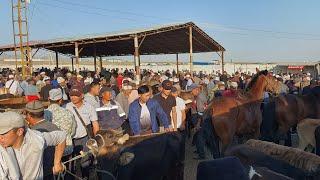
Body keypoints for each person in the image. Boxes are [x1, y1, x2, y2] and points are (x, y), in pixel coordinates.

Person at [0, 111, 66, 179]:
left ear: (19, 131)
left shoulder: (37, 139)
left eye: (3, 134)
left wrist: (57, 163)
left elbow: (61, 137)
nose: (0, 138)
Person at [65, 86, 100, 177]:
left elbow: (95, 124)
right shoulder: (66, 107)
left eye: (76, 95)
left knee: (85, 162)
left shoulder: (89, 107)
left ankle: (85, 177)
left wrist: (96, 140)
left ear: (82, 96)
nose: (73, 97)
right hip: (70, 140)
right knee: (70, 164)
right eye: (71, 95)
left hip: (84, 139)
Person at [25, 100, 61, 179]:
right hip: (52, 170)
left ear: (29, 115)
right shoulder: (54, 127)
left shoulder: (32, 132)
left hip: (39, 173)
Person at [46, 88, 77, 157]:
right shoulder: (68, 113)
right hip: (66, 148)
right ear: (60, 100)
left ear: (49, 99)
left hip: (49, 149)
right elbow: (72, 131)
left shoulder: (44, 113)